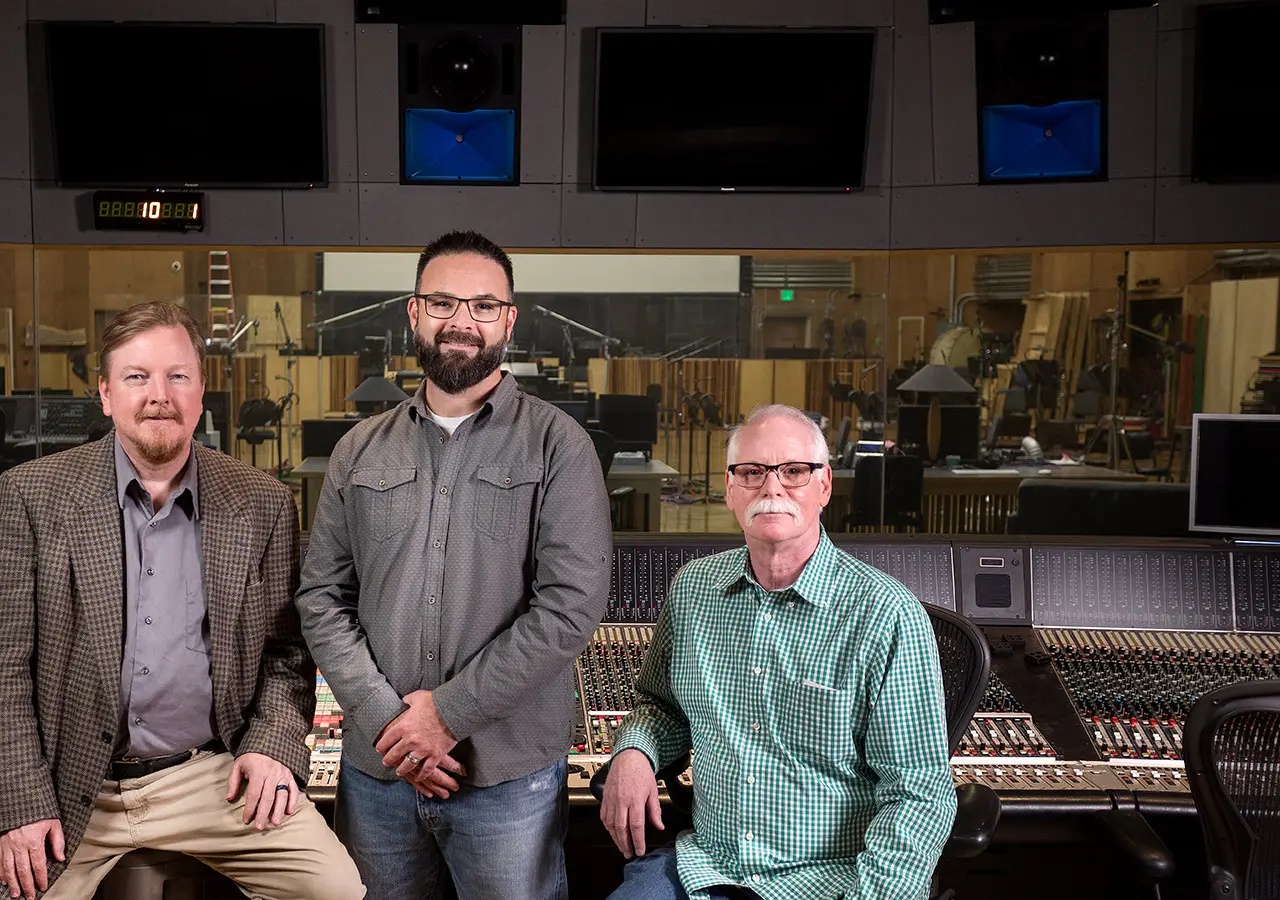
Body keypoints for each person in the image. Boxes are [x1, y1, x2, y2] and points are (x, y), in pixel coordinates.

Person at [0, 301, 362, 900]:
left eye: (177, 376)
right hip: (73, 781)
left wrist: (272, 746)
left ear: (201, 391)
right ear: (105, 394)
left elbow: (287, 654)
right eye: (137, 377)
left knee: (335, 889)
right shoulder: (31, 495)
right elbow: (1, 671)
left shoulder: (262, 502)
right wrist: (21, 803)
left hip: (209, 775)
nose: (159, 395)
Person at [297, 230, 613, 899]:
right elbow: (322, 597)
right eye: (442, 303)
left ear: (509, 320)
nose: (461, 322)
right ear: (413, 313)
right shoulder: (358, 450)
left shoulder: (560, 447)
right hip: (377, 775)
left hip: (507, 782)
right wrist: (390, 721)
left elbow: (570, 608)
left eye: (483, 306)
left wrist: (446, 716)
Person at [600, 404, 956, 900]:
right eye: (751, 472)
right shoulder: (692, 591)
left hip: (831, 878)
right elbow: (660, 706)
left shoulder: (885, 614)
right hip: (710, 866)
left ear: (825, 486)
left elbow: (917, 791)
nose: (772, 488)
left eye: (793, 471)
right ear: (729, 489)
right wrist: (634, 753)